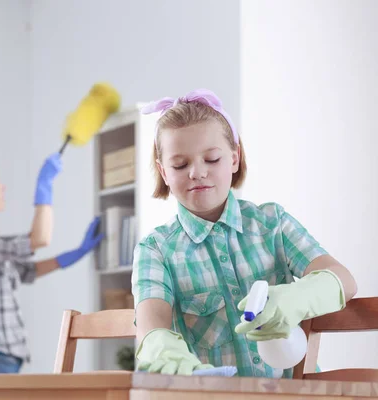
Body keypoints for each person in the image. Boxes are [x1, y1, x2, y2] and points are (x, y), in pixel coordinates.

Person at [131, 89, 357, 378]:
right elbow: (152, 330)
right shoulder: (156, 250)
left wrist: (299, 296)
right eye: (180, 164)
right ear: (164, 173)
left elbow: (345, 280)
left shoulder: (273, 224)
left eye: (211, 159)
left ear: (234, 159)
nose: (197, 172)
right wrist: (164, 351)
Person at [0, 153, 102, 374]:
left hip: (1, 356)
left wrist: (74, 254)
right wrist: (44, 186)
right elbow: (39, 238)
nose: (3, 188)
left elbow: (28, 270)